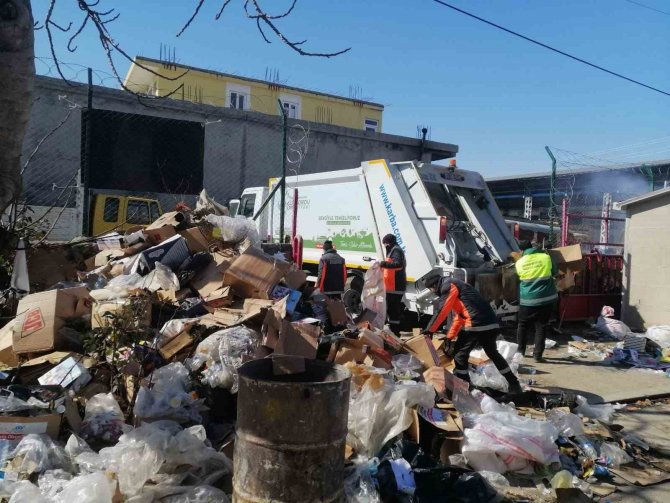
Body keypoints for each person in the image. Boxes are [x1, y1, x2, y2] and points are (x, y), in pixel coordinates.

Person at [423, 275, 523, 394]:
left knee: (460, 355)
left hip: (476, 323)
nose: (432, 292)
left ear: (434, 285)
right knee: (493, 353)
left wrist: (429, 330)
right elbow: (460, 317)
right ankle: (514, 384)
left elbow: (442, 310)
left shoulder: (448, 286)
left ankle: (464, 389)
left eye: (431, 289)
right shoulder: (459, 286)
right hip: (490, 323)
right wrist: (450, 336)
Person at [514, 240, 558, 363]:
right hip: (546, 299)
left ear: (522, 251)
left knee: (522, 325)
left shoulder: (519, 263)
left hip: (527, 300)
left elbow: (519, 276)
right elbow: (555, 272)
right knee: (541, 326)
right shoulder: (545, 257)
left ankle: (520, 352)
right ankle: (537, 355)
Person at [379, 234, 406, 335]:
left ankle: (395, 332)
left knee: (393, 311)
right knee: (391, 310)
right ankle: (393, 330)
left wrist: (383, 264)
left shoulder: (396, 250)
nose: (385, 245)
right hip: (392, 286)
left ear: (388, 243)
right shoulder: (393, 250)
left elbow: (398, 264)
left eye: (385, 243)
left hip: (395, 286)